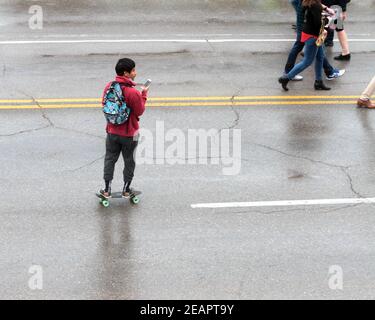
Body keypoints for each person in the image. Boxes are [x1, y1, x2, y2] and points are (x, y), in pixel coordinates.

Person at [99, 58, 148, 198]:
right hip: (129, 134)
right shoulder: (132, 92)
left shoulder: (109, 86)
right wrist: (143, 94)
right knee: (129, 161)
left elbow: (105, 104)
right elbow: (140, 111)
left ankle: (107, 189)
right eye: (133, 70)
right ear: (126, 73)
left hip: (112, 131)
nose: (135, 73)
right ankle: (126, 189)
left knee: (110, 159)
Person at [279, 0, 335, 91]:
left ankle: (318, 82)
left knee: (320, 57)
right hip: (314, 36)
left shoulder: (307, 3)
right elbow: (318, 23)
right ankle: (286, 78)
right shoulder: (315, 5)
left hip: (309, 33)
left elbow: (313, 16)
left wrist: (325, 10)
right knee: (307, 61)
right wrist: (328, 19)